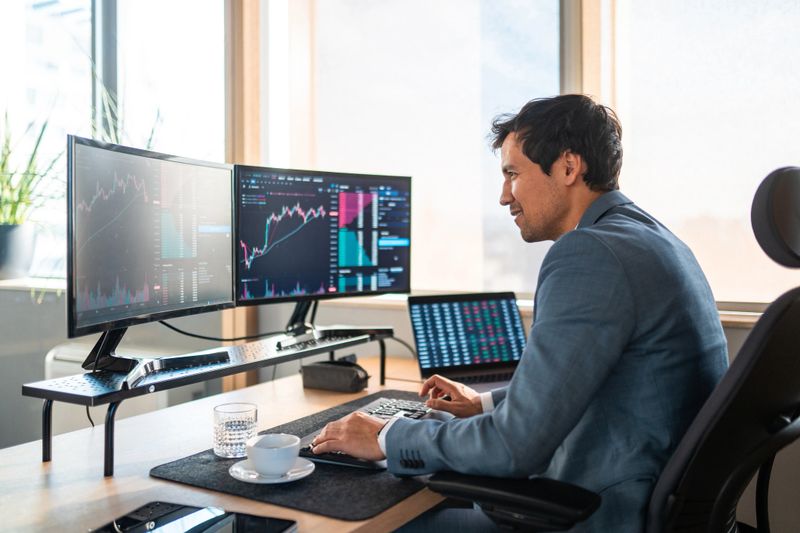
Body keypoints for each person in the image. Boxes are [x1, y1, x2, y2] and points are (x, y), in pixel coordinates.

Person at [311, 94, 728, 532]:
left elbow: (515, 446)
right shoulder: (654, 238)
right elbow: (587, 381)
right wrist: (484, 402)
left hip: (598, 512)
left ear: (568, 167)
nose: (503, 195)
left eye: (513, 173)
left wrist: (385, 436)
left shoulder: (589, 253)